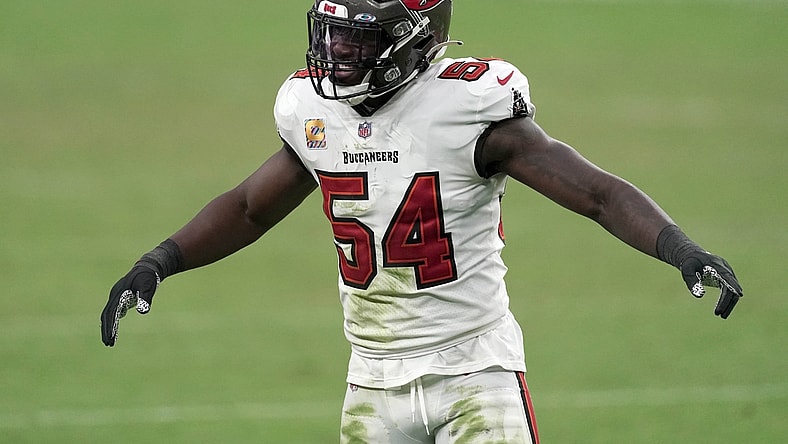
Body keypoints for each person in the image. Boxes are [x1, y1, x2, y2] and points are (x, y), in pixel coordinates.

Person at [101, 1, 744, 442]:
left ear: (409, 41)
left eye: (357, 37)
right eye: (333, 33)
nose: (338, 52)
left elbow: (597, 194)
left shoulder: (467, 109)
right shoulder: (312, 112)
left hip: (474, 369)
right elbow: (247, 208)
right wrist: (158, 262)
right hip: (371, 376)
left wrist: (682, 250)